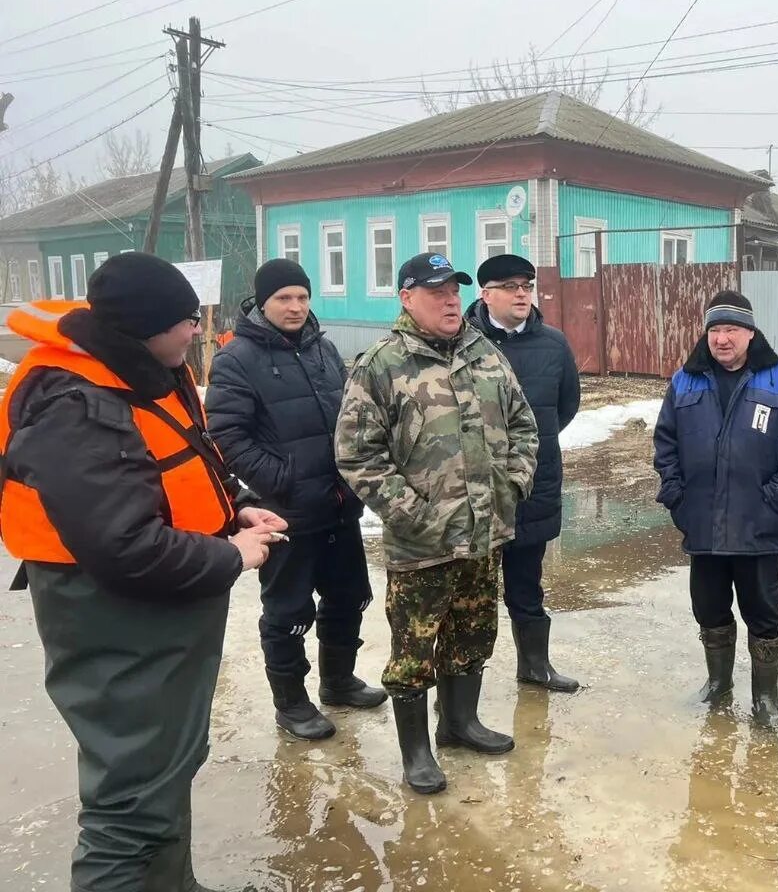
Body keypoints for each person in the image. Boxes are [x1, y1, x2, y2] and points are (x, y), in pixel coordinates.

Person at [0, 252, 286, 892]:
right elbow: (124, 546)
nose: (197, 331)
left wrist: (234, 511)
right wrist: (229, 557)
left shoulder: (145, 367)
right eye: (185, 321)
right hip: (114, 621)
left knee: (167, 769)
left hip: (162, 616)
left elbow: (176, 463)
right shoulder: (74, 401)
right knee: (130, 806)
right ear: (144, 326)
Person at [335, 252, 539, 795]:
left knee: (473, 632)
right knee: (413, 648)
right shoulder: (381, 364)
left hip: (483, 532)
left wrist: (512, 485)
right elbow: (358, 457)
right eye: (436, 292)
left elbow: (524, 425)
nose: (451, 300)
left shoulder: (484, 352)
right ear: (407, 298)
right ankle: (417, 751)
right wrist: (415, 515)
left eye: (455, 290)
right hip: (422, 543)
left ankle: (459, 724)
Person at [206, 259, 386, 742]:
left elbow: (352, 415)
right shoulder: (236, 358)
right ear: (262, 302)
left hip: (338, 503)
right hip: (285, 511)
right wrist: (279, 480)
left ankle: (339, 680)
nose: (296, 307)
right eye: (284, 298)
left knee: (349, 597)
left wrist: (354, 473)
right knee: (288, 613)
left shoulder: (324, 349)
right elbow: (226, 433)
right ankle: (291, 703)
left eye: (302, 297)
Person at [652, 290, 778, 729]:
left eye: (731, 329)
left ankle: (765, 698)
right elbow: (665, 443)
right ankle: (718, 685)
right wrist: (676, 496)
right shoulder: (685, 381)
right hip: (703, 524)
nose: (722, 339)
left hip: (757, 527)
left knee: (764, 613)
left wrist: (775, 501)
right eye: (715, 329)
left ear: (750, 332)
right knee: (709, 608)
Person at [465, 253, 580, 692]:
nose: (521, 294)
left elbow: (566, 407)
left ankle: (535, 666)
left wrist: (528, 449)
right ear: (486, 293)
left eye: (527, 285)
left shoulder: (553, 344)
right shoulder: (463, 341)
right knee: (468, 596)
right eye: (510, 286)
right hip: (473, 489)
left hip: (533, 483)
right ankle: (461, 688)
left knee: (526, 586)